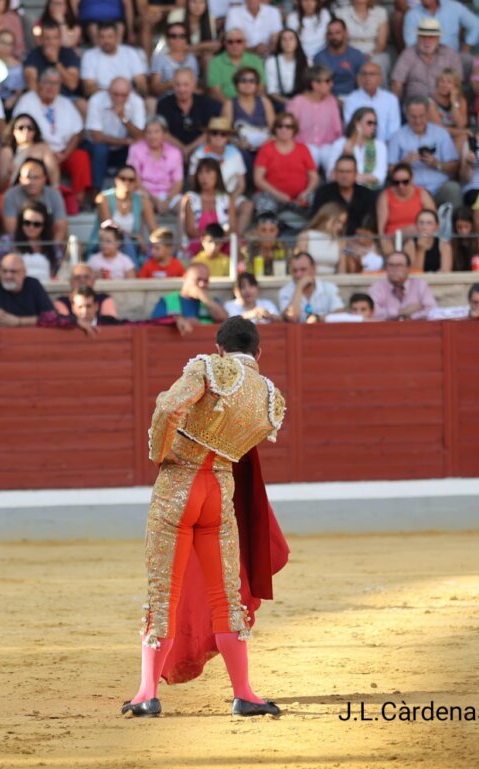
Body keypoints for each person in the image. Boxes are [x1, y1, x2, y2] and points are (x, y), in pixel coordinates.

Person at [123, 316, 287, 720]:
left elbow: (167, 405)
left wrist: (162, 453)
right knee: (225, 598)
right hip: (219, 493)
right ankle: (244, 693)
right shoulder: (270, 397)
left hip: (179, 487)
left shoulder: (209, 369)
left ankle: (147, 693)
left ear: (219, 348)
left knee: (164, 594)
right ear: (258, 353)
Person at [12, 67, 91, 203]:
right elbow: (20, 130)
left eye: (55, 83)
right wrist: (46, 151)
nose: (51, 87)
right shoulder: (27, 101)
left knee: (81, 157)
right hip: (37, 153)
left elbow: (76, 133)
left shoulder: (65, 103)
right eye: (48, 82)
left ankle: (78, 201)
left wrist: (66, 154)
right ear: (39, 84)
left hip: (62, 153)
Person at [387, 96, 462, 212]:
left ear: (427, 114)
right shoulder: (398, 136)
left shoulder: (441, 133)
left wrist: (435, 163)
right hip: (411, 189)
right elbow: (390, 170)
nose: (418, 121)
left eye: (421, 116)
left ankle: (456, 227)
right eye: (413, 117)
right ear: (406, 116)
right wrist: (404, 164)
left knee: (453, 188)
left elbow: (454, 166)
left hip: (439, 187)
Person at [251, 115, 317, 232]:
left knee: (319, 199)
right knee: (264, 204)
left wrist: (306, 192)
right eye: (279, 126)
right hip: (271, 195)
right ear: (275, 129)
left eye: (288, 126)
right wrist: (277, 194)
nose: (283, 129)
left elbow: (314, 176)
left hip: (300, 197)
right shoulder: (266, 149)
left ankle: (311, 234)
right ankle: (268, 239)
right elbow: (258, 179)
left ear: (294, 129)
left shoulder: (303, 149)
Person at [86, 77, 146, 194]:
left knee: (136, 149)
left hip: (122, 148)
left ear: (130, 93)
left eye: (124, 95)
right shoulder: (96, 100)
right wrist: (126, 141)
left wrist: (123, 118)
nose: (119, 99)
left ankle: (129, 192)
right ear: (108, 92)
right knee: (101, 149)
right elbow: (96, 137)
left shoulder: (136, 102)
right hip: (98, 146)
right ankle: (96, 192)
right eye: (116, 94)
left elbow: (139, 135)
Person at [391, 19, 462, 102]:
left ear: (438, 38)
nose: (427, 41)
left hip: (443, 103)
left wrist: (454, 104)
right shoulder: (408, 54)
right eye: (423, 37)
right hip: (415, 105)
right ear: (417, 37)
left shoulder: (449, 54)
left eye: (431, 37)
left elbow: (458, 83)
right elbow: (397, 83)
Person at [94, 164, 158, 256]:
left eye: (131, 180)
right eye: (123, 179)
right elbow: (109, 229)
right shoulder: (103, 198)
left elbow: (154, 230)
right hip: (106, 245)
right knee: (127, 242)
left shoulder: (143, 201)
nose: (126, 182)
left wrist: (156, 244)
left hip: (135, 246)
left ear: (136, 183)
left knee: (152, 251)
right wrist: (133, 236)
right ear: (116, 180)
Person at [156, 67, 219, 159]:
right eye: (178, 85)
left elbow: (208, 133)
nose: (181, 89)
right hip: (171, 150)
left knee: (209, 151)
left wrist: (189, 150)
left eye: (186, 85)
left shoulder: (206, 103)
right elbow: (163, 133)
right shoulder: (163, 104)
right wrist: (182, 149)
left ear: (194, 85)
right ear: (173, 85)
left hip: (200, 150)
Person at [1, 158, 68, 243]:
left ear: (44, 179)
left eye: (36, 178)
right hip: (20, 244)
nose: (31, 182)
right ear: (20, 179)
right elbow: (11, 231)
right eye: (27, 177)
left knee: (76, 246)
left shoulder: (54, 195)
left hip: (48, 242)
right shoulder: (10, 195)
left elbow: (61, 228)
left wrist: (52, 250)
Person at [0, 252, 54, 327]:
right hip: (2, 337)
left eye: (13, 272)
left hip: (34, 336)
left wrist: (19, 321)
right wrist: (35, 321)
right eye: (4, 271)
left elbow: (51, 317)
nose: (8, 276)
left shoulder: (34, 284)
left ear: (24, 273)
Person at [376, 162, 436, 251]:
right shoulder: (386, 196)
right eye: (396, 182)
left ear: (412, 179)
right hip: (393, 240)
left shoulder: (422, 193)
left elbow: (433, 219)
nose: (401, 186)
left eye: (405, 182)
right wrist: (384, 242)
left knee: (414, 238)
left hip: (419, 237)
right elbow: (381, 228)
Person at [312, 156, 377, 236]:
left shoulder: (367, 195)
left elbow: (371, 223)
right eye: (341, 171)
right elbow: (318, 221)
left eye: (348, 172)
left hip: (360, 241)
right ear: (335, 173)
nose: (344, 176)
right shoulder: (323, 193)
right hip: (330, 238)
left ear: (355, 173)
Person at [0, 113, 60, 193]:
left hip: (41, 194)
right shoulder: (7, 152)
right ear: (13, 131)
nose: (25, 131)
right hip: (15, 195)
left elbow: (53, 174)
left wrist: (54, 195)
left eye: (29, 128)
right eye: (21, 128)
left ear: (35, 131)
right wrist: (10, 174)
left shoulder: (43, 148)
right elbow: (2, 188)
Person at [80, 21, 149, 96]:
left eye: (110, 37)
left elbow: (141, 82)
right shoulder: (89, 56)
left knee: (151, 103)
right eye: (102, 37)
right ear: (97, 38)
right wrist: (115, 94)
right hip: (101, 97)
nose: (106, 41)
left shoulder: (130, 53)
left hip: (128, 95)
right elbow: (88, 88)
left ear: (117, 37)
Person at [150, 261, 228, 326]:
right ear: (185, 277)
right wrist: (177, 320)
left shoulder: (212, 301)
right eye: (198, 279)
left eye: (206, 281)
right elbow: (156, 322)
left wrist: (203, 297)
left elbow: (225, 319)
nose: (202, 284)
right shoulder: (167, 301)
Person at [23, 20, 84, 103]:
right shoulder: (33, 55)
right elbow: (32, 86)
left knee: (82, 104)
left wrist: (55, 62)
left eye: (55, 38)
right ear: (41, 40)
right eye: (47, 38)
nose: (51, 42)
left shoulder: (69, 54)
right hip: (41, 99)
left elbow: (72, 85)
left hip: (67, 99)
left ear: (60, 39)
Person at [366, 250, 437, 319]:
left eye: (399, 265)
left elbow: (432, 310)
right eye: (391, 265)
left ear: (408, 268)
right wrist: (401, 312)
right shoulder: (378, 286)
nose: (394, 269)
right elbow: (372, 312)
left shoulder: (420, 285)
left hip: (415, 328)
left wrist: (411, 317)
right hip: (387, 329)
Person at [279, 251, 344, 322]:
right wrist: (299, 288)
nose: (298, 275)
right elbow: (292, 317)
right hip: (298, 333)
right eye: (295, 271)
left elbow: (339, 313)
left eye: (303, 270)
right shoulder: (285, 291)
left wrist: (317, 319)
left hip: (324, 331)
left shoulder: (329, 288)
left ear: (313, 269)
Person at [149, 18, 200, 97]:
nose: (177, 39)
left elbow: (194, 86)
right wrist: (171, 84)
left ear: (186, 39)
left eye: (182, 36)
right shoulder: (160, 58)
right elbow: (154, 89)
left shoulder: (192, 59)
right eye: (173, 36)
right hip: (167, 100)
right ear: (167, 38)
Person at [263, 28, 308, 111]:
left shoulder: (306, 61)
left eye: (291, 39)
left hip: (302, 99)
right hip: (280, 101)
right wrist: (289, 102)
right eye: (284, 39)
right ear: (280, 43)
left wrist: (299, 102)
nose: (288, 42)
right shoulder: (271, 62)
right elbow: (271, 91)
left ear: (297, 42)